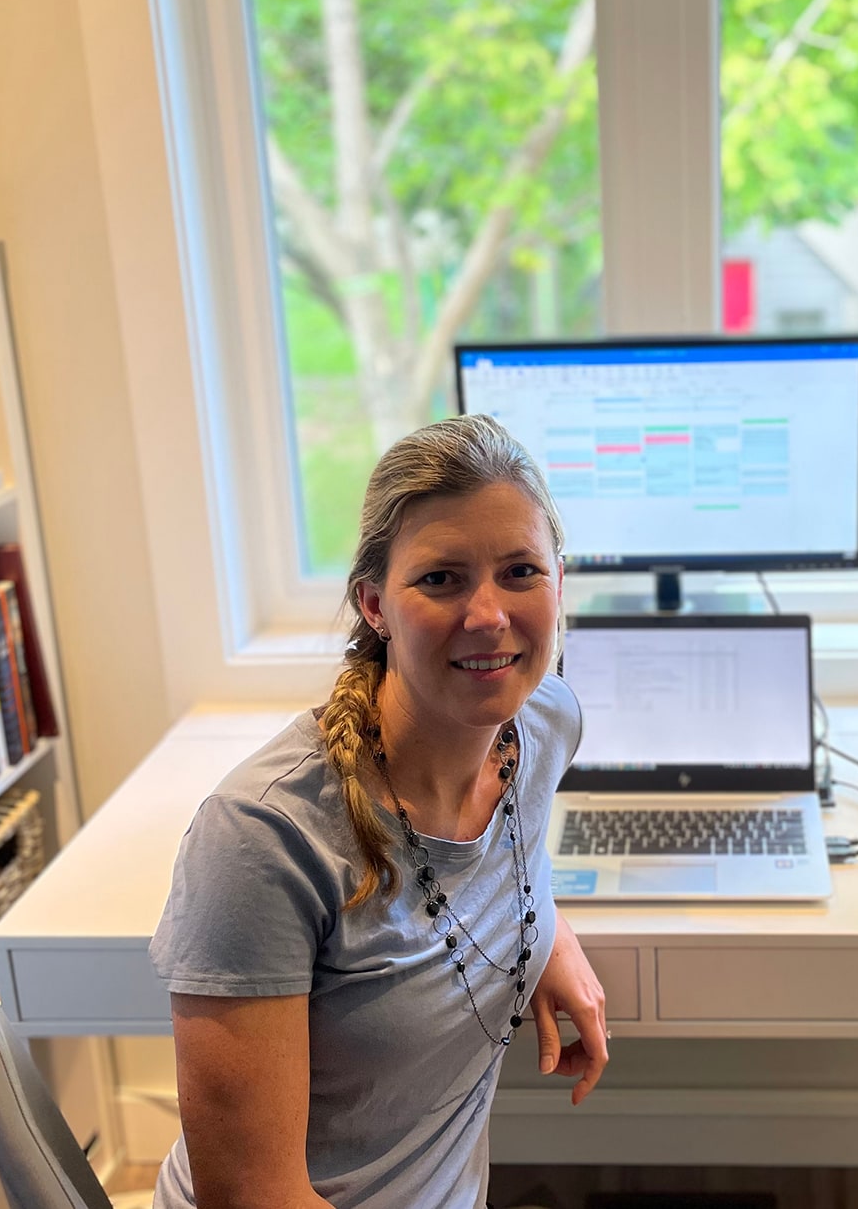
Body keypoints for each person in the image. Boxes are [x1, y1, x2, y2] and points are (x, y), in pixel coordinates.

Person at [149, 414, 609, 1209]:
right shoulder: (262, 840)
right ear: (373, 604)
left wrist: (544, 936)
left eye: (521, 571)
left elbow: (498, 856)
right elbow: (251, 1200)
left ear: (560, 581)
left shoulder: (543, 724)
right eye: (441, 579)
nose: (490, 615)